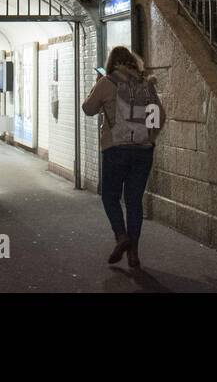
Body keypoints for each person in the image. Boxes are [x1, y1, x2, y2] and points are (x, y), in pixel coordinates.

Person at [81, 46, 163, 270]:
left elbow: (88, 109)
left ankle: (121, 236)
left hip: (116, 149)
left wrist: (97, 85)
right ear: (132, 62)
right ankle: (134, 253)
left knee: (110, 196)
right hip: (143, 150)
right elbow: (160, 116)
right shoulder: (145, 83)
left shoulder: (107, 82)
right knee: (134, 201)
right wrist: (150, 138)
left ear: (112, 63)